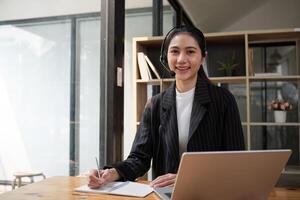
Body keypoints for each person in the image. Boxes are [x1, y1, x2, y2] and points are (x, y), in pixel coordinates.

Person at [88, 25, 245, 189]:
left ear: (203, 57)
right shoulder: (155, 104)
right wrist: (111, 173)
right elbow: (139, 158)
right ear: (166, 57)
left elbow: (235, 161)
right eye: (175, 51)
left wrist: (187, 179)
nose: (181, 59)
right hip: (166, 194)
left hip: (210, 192)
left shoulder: (224, 100)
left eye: (190, 51)